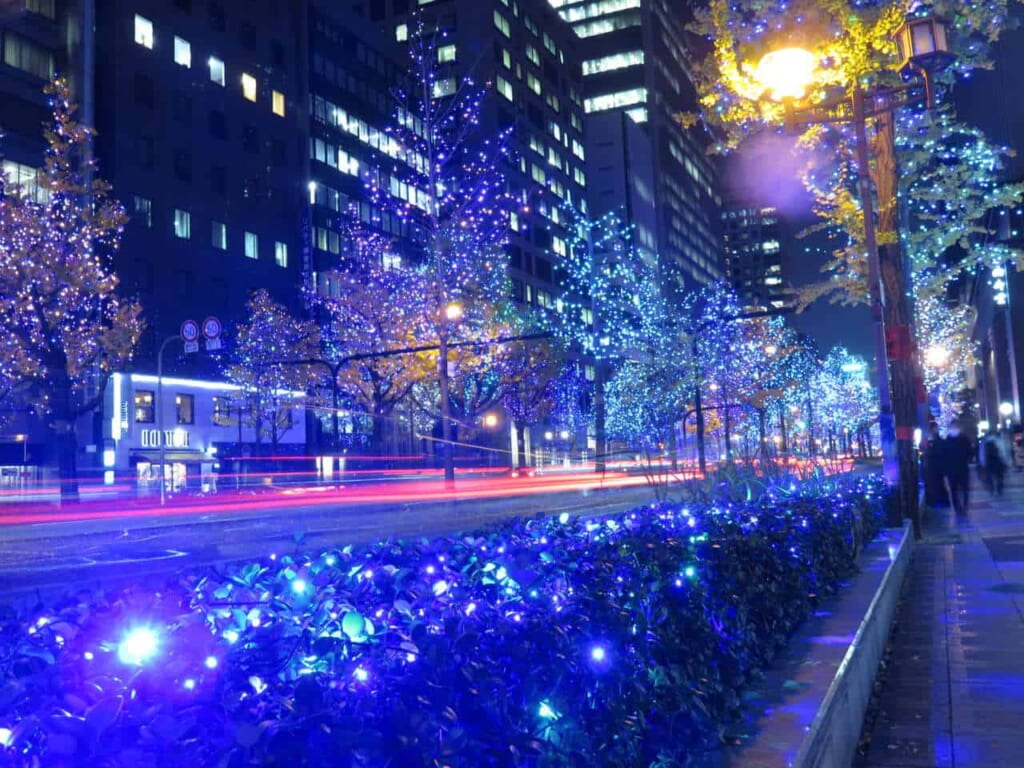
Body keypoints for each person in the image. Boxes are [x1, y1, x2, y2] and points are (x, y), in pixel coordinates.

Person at [942, 418, 972, 517]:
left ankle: (964, 506)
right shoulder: (947, 440)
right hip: (952, 470)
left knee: (965, 489)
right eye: (953, 426)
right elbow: (943, 455)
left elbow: (969, 452)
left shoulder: (964, 439)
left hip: (962, 468)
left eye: (956, 426)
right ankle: (957, 508)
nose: (954, 428)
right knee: (954, 490)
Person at [981, 431, 1009, 495]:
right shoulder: (999, 440)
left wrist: (983, 462)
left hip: (989, 461)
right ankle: (999, 489)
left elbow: (982, 453)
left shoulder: (984, 442)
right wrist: (1005, 460)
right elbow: (1003, 451)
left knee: (989, 476)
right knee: (999, 476)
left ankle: (991, 488)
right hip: (998, 461)